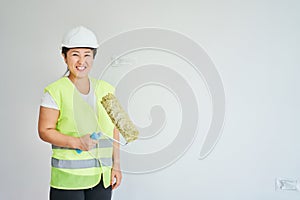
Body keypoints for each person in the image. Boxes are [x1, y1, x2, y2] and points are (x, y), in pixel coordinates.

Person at [38, 26, 122, 200]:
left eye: (87, 55)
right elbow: (44, 130)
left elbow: (115, 129)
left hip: (101, 178)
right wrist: (76, 142)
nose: (81, 61)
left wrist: (116, 165)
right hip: (69, 180)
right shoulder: (55, 91)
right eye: (75, 54)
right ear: (64, 56)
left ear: (93, 57)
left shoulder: (107, 90)